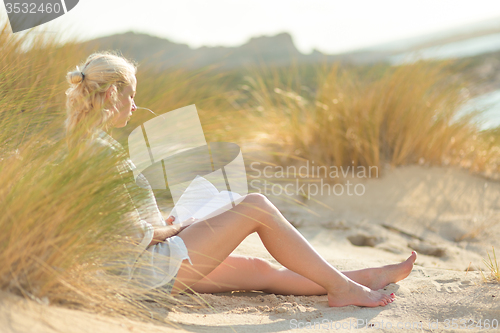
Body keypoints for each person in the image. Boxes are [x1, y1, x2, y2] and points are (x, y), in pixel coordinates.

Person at [65, 51, 417, 308]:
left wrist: (166, 223)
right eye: (132, 95)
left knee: (258, 270)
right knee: (256, 207)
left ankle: (363, 278)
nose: (135, 104)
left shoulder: (87, 144)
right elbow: (121, 236)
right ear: (113, 94)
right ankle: (346, 290)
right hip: (146, 269)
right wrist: (168, 231)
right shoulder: (95, 151)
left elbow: (109, 222)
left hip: (144, 265)